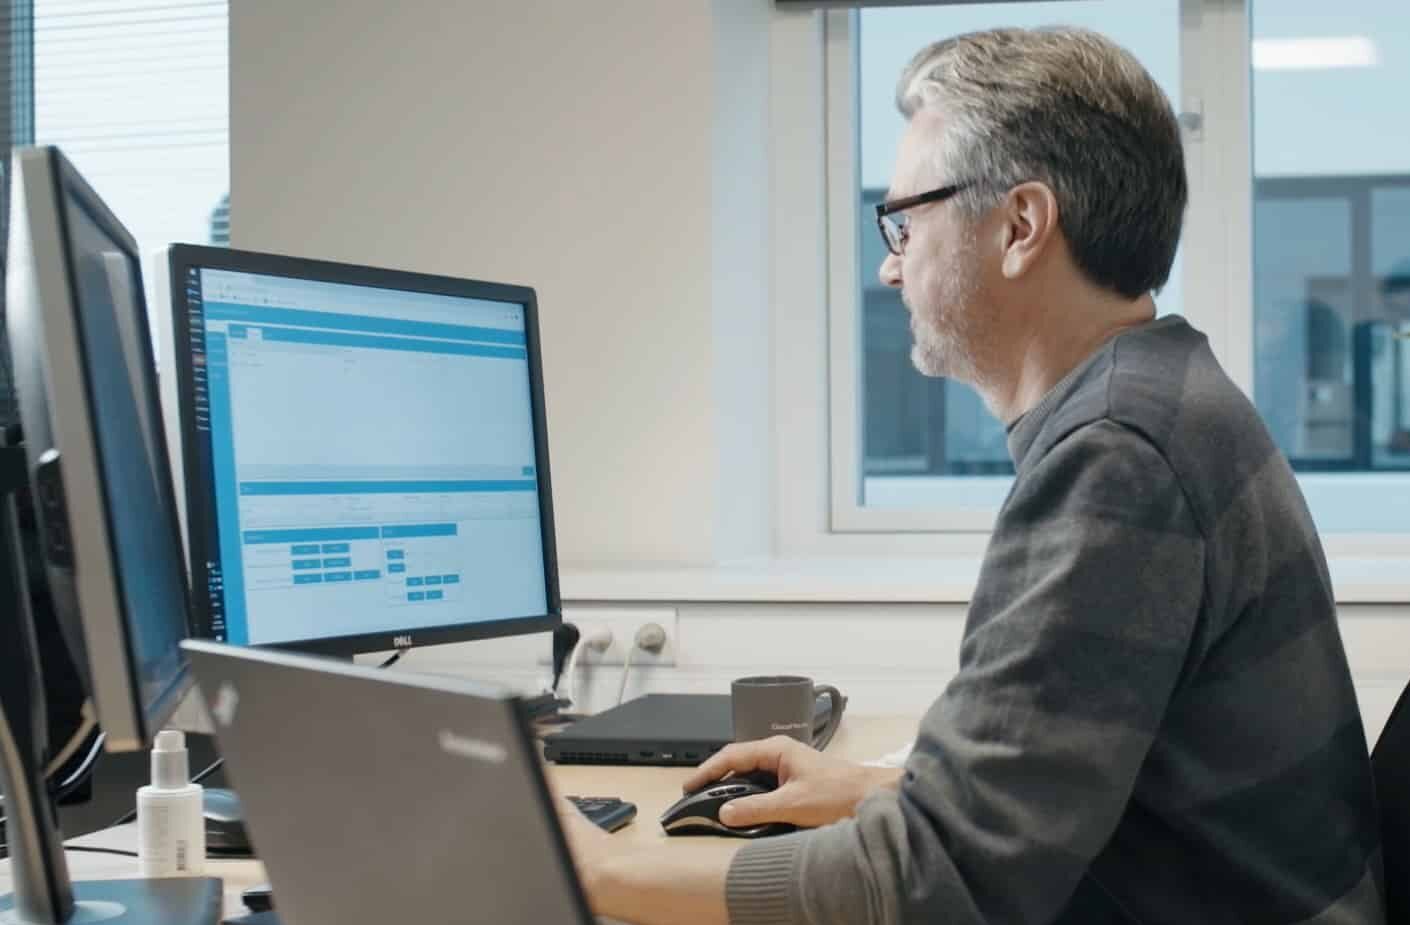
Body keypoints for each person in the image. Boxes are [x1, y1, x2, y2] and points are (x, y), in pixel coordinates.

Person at [560, 26, 1386, 925]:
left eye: (906, 221)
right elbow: (1053, 783)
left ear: (1021, 226)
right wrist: (887, 789)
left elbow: (936, 883)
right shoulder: (1164, 397)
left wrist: (595, 873)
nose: (889, 264)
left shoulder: (1120, 452)